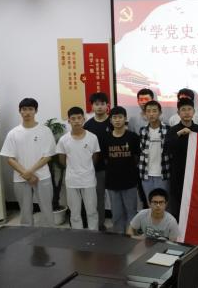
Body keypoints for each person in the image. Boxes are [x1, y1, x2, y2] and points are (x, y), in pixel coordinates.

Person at [0, 98, 56, 227]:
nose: (27, 112)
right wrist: (27, 175)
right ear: (20, 111)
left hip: (42, 177)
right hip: (20, 178)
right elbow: (9, 158)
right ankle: (27, 236)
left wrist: (29, 172)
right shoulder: (13, 133)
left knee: (47, 209)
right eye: (24, 109)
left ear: (36, 111)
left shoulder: (45, 131)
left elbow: (48, 156)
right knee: (25, 212)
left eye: (30, 109)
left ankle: (50, 235)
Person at [57, 106, 100, 230]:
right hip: (72, 180)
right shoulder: (64, 140)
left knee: (92, 211)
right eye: (73, 118)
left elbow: (95, 158)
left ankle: (93, 234)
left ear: (84, 119)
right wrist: (74, 169)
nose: (76, 121)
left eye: (79, 118)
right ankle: (77, 235)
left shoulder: (92, 137)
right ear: (69, 121)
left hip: (88, 180)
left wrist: (86, 169)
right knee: (75, 213)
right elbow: (62, 160)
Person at [164, 98, 198, 220]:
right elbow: (167, 149)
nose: (186, 112)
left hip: (193, 172)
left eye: (189, 109)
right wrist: (179, 133)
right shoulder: (173, 130)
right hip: (177, 172)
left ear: (194, 111)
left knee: (193, 201)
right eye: (183, 110)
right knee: (177, 203)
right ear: (178, 113)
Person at [105, 106, 140, 234]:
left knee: (131, 212)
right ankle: (119, 237)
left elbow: (137, 157)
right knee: (117, 213)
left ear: (125, 119)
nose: (117, 120)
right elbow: (105, 159)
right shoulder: (106, 138)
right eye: (114, 117)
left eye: (120, 117)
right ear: (110, 120)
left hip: (130, 181)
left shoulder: (133, 137)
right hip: (112, 182)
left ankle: (130, 237)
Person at [83, 92, 111, 231]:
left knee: (116, 196)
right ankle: (100, 224)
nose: (99, 107)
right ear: (92, 106)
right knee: (98, 197)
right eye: (96, 104)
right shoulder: (88, 125)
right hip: (96, 168)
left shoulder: (113, 121)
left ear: (107, 105)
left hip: (114, 167)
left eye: (102, 104)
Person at [138, 100, 170, 201]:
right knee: (150, 202)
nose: (151, 114)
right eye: (148, 111)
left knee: (163, 203)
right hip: (146, 174)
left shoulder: (168, 130)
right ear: (145, 113)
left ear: (160, 113)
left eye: (154, 111)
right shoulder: (142, 130)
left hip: (163, 174)